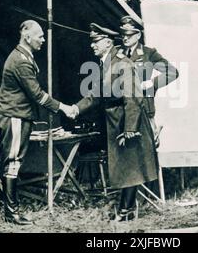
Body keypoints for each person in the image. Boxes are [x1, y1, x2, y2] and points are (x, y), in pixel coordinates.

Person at [65, 23, 158, 221]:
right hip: (116, 120)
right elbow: (95, 94)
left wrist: (131, 129)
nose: (92, 45)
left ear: (108, 42)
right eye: (92, 41)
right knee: (125, 166)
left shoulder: (121, 63)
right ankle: (126, 209)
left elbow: (133, 97)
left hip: (127, 120)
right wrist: (76, 108)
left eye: (96, 41)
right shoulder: (107, 63)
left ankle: (126, 211)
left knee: (129, 165)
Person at [0, 20, 71, 225]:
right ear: (27, 37)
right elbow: (37, 95)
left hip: (16, 115)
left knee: (13, 161)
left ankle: (11, 210)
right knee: (13, 162)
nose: (43, 40)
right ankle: (11, 213)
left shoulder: (24, 56)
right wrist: (64, 108)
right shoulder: (20, 61)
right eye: (40, 36)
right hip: (13, 116)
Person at [118, 15, 179, 147]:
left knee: (149, 152)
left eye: (129, 34)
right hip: (122, 112)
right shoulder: (118, 54)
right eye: (123, 34)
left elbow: (172, 72)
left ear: (138, 35)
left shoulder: (148, 54)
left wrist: (152, 83)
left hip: (144, 110)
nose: (125, 38)